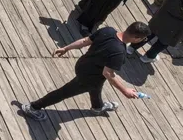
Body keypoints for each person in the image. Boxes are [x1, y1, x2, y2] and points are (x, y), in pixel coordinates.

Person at [20, 22, 148, 119]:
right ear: (136, 38)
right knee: (64, 92)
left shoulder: (108, 30)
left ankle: (97, 108)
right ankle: (33, 107)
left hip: (82, 64)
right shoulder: (119, 52)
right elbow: (108, 73)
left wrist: (66, 48)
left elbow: (85, 41)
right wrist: (125, 90)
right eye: (142, 39)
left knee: (96, 88)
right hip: (89, 77)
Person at [128, 0, 183, 64]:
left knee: (149, 32)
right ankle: (148, 56)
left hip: (162, 16)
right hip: (178, 26)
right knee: (163, 42)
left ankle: (132, 47)